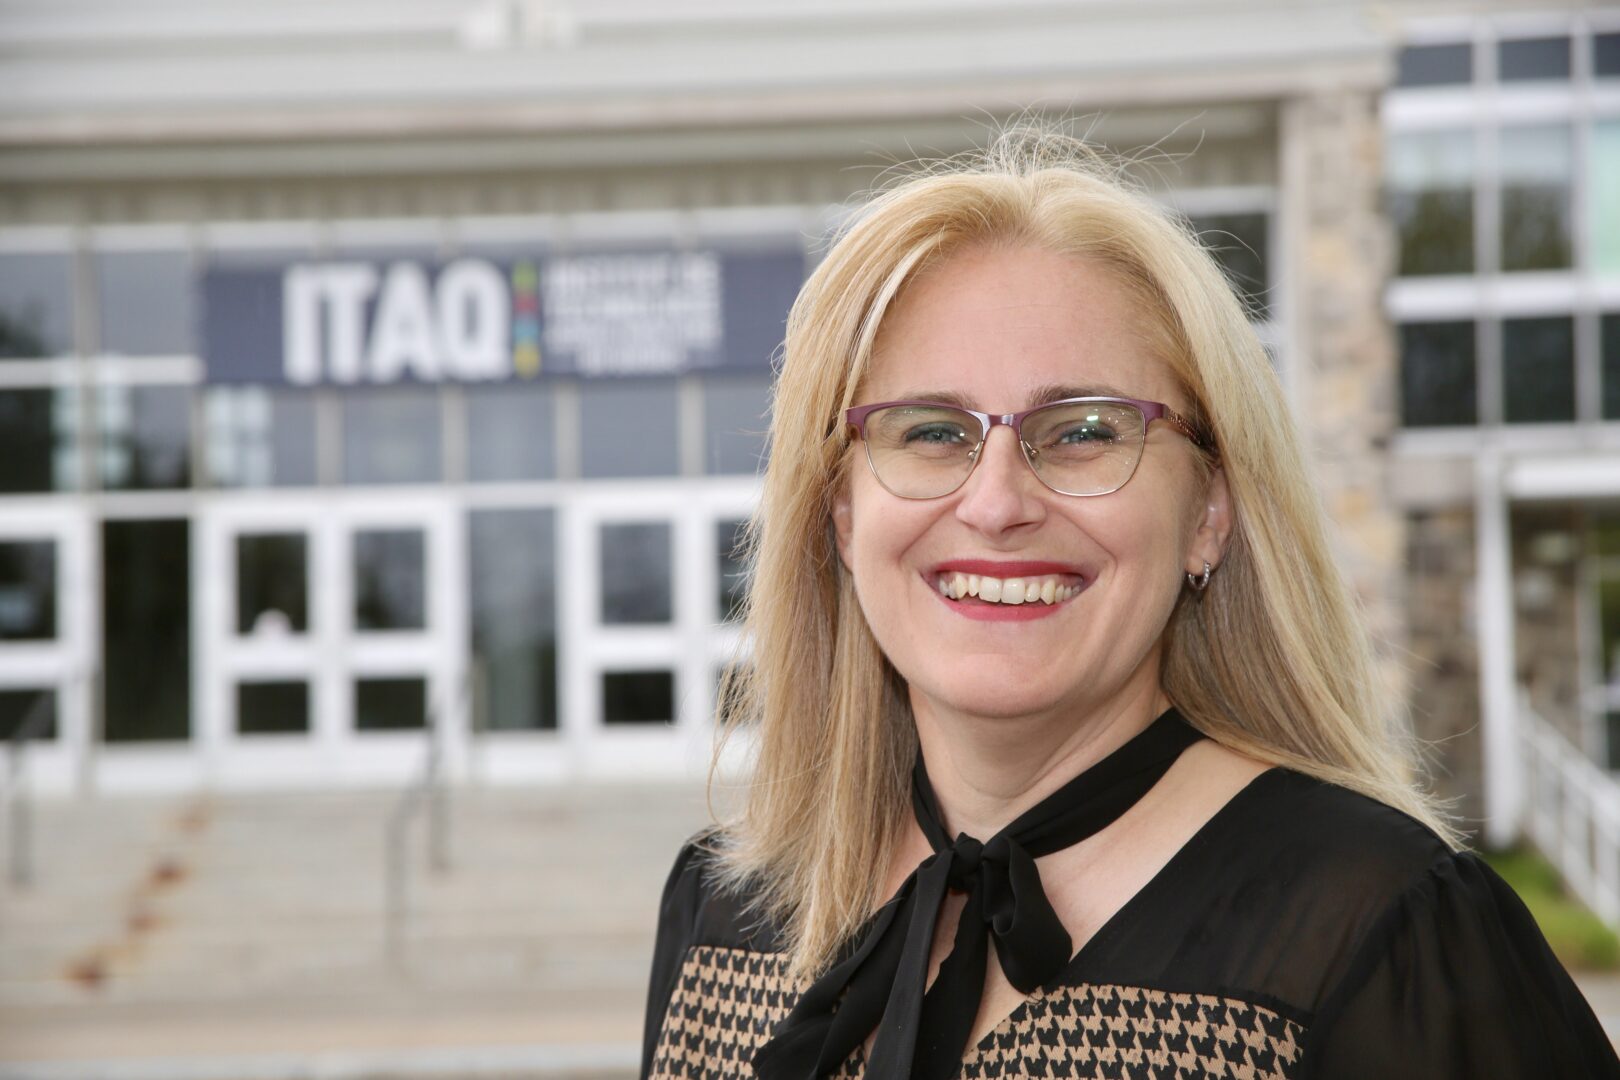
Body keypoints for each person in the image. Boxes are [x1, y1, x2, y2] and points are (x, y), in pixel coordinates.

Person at [639, 131, 1620, 1079]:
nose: (994, 503)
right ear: (844, 516)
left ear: (1208, 514)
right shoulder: (727, 913)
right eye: (932, 430)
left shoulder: (1383, 937)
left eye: (1085, 431)